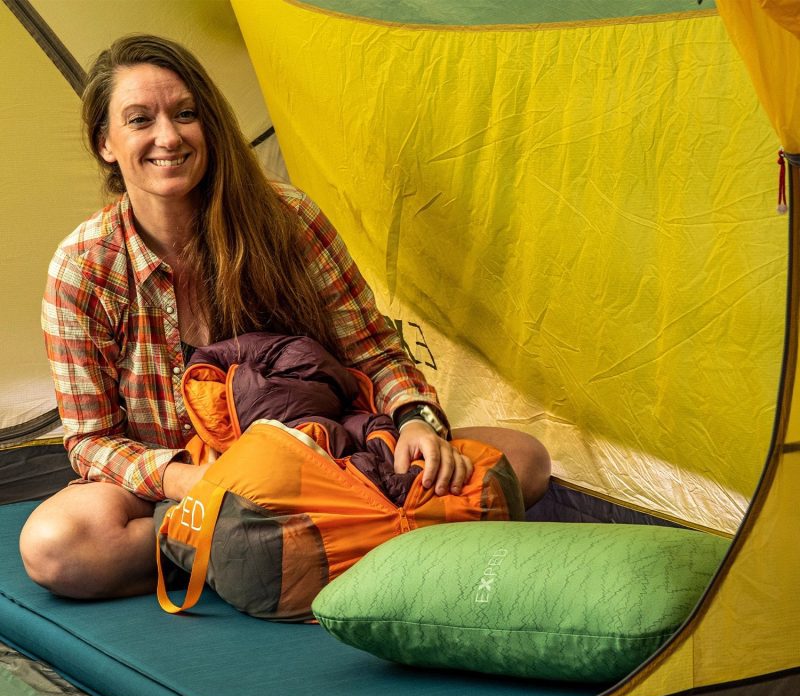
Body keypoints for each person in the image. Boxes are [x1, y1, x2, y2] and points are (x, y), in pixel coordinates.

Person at [20, 35, 550, 600]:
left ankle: (260, 550)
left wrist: (418, 421)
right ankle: (311, 540)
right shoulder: (83, 268)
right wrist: (191, 479)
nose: (168, 137)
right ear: (106, 143)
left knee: (525, 461)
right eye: (139, 120)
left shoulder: (288, 220)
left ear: (211, 124)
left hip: (326, 461)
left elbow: (375, 351)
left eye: (185, 114)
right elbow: (91, 441)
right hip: (182, 485)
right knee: (58, 545)